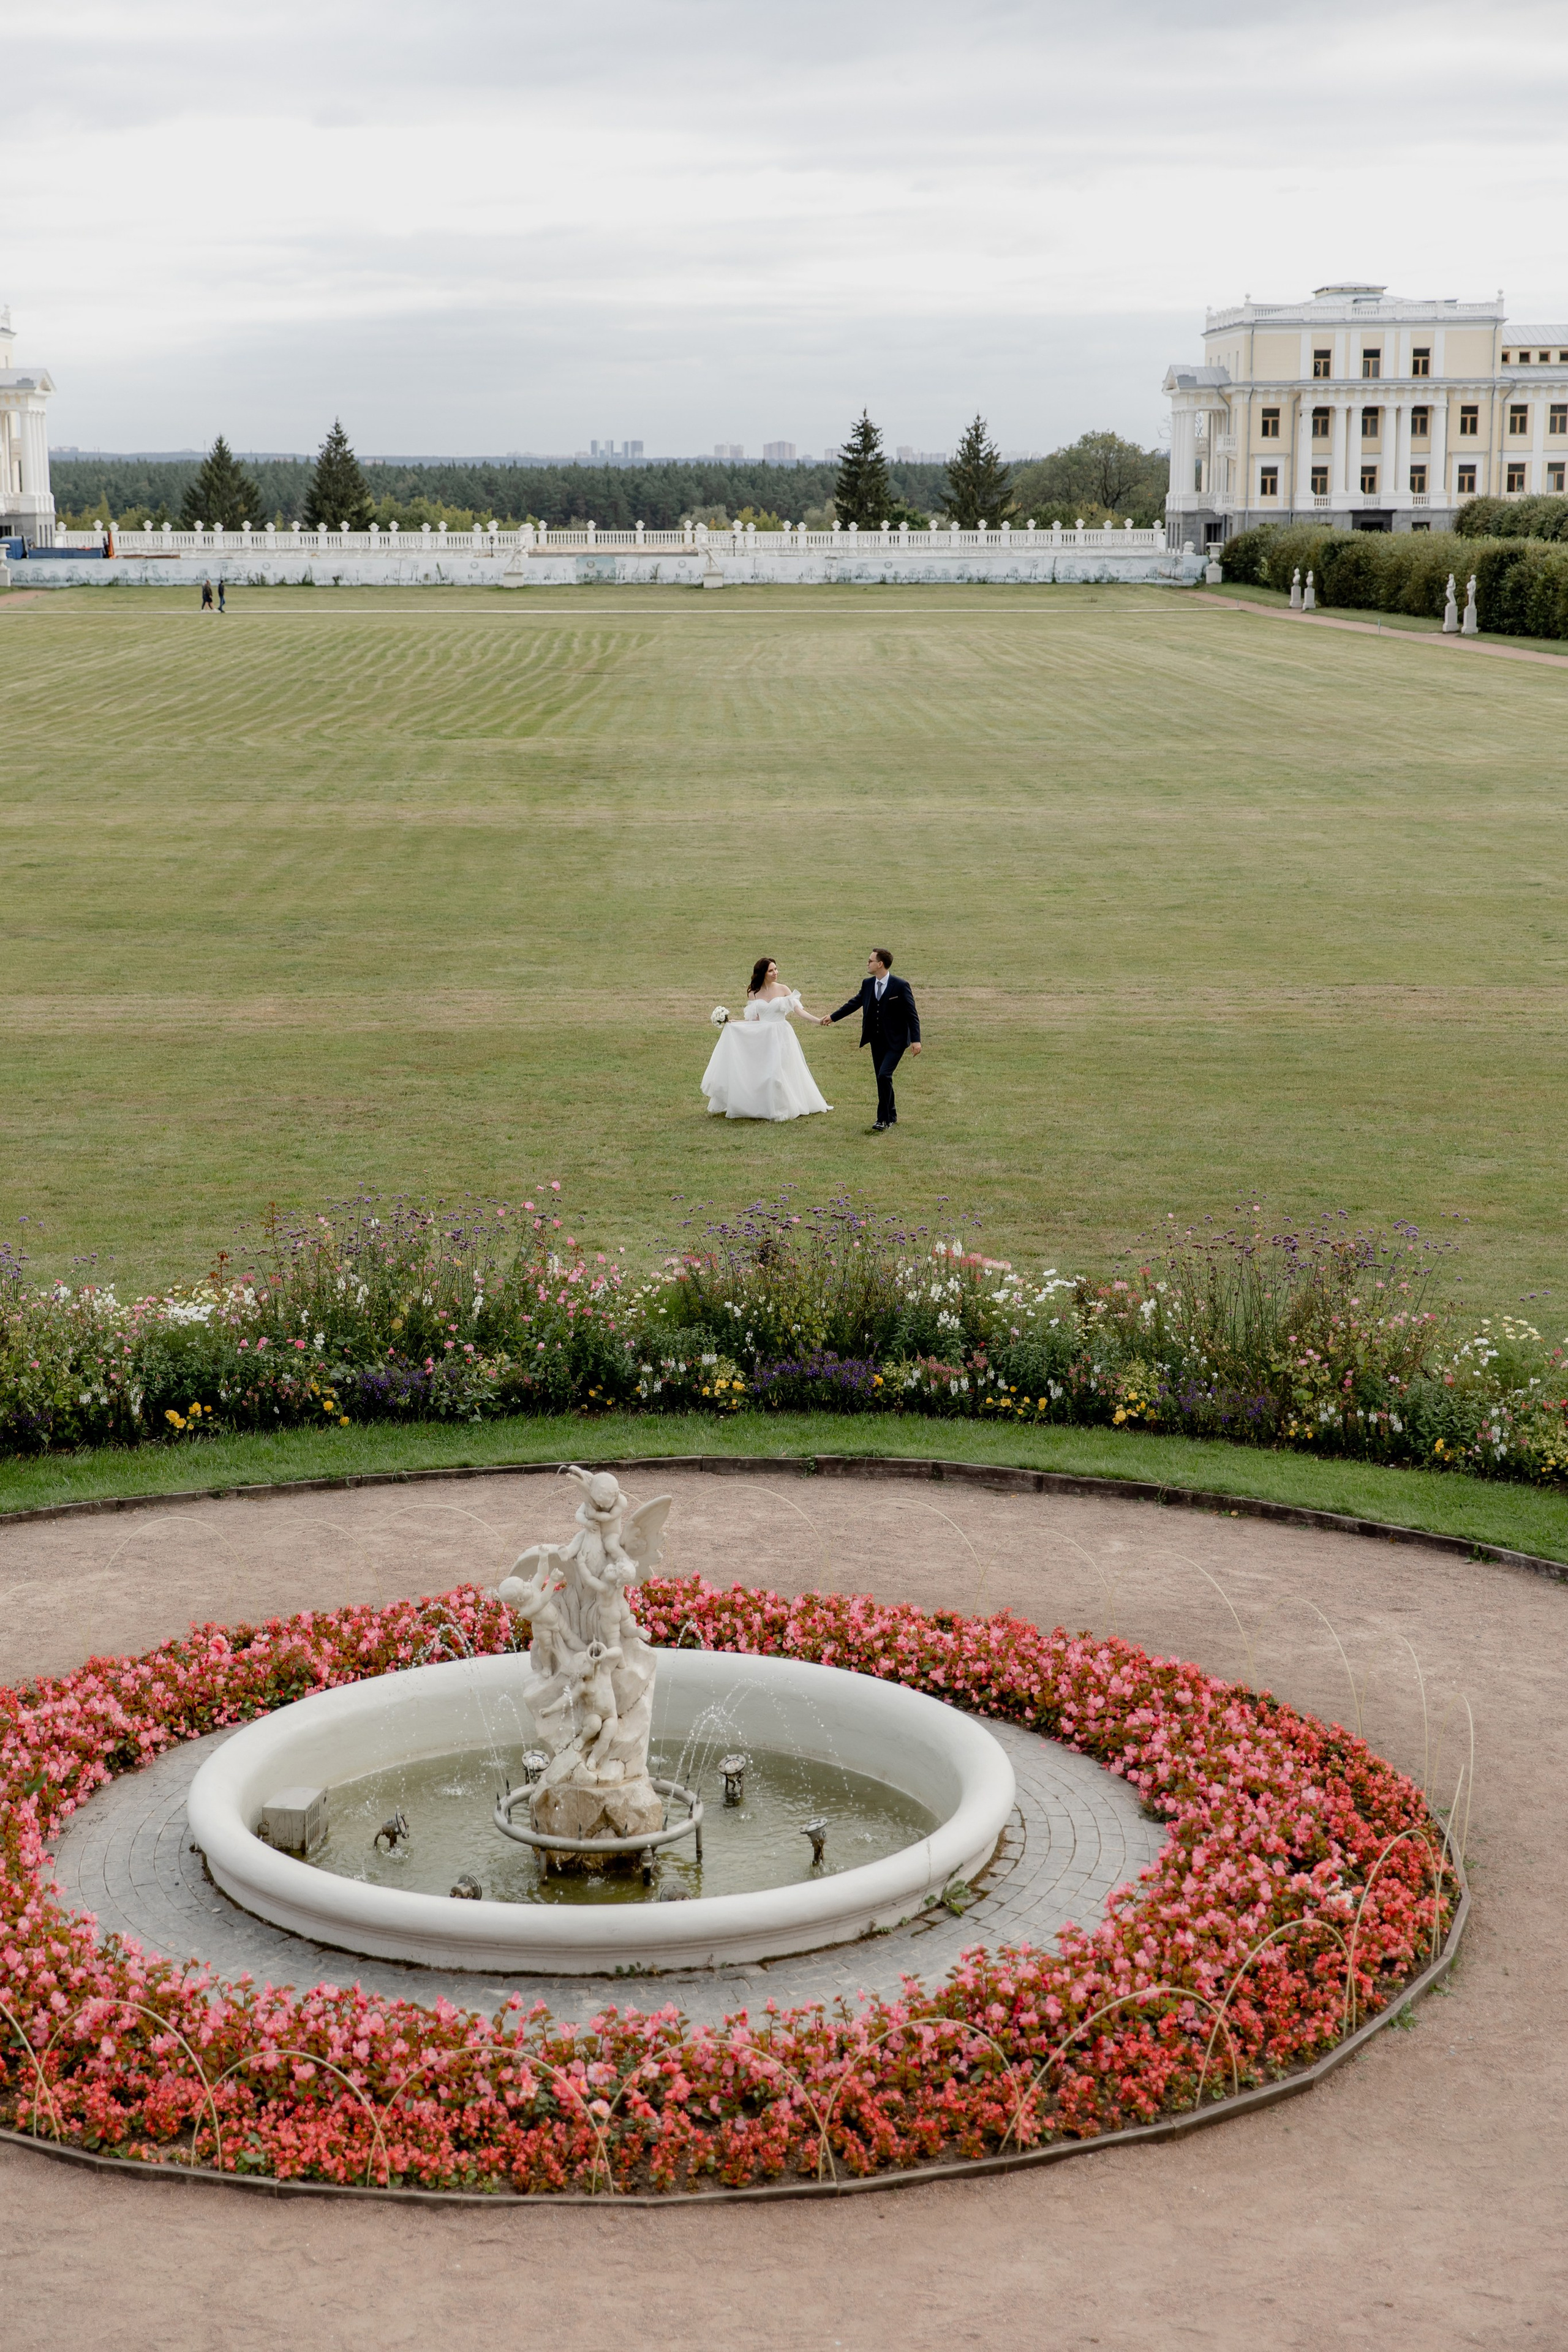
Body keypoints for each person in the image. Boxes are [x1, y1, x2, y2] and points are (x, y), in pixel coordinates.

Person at [700, 956, 833, 1121]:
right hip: (763, 1037)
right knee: (765, 1072)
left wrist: (818, 1020)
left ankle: (782, 1107)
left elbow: (799, 1011)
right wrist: (735, 1023)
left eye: (776, 969)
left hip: (781, 1035)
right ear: (763, 973)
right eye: (771, 971)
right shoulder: (753, 993)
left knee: (779, 1072)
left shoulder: (783, 989)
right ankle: (764, 1106)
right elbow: (755, 1019)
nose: (775, 973)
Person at [824, 949, 921, 1131]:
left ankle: (882, 1119)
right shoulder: (868, 984)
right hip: (876, 1040)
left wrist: (916, 1040)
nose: (867, 964)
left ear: (880, 964)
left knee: (884, 1075)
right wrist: (833, 1017)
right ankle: (891, 1115)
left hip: (897, 1041)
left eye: (870, 961)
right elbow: (855, 1003)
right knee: (882, 1078)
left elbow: (912, 1014)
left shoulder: (900, 985)